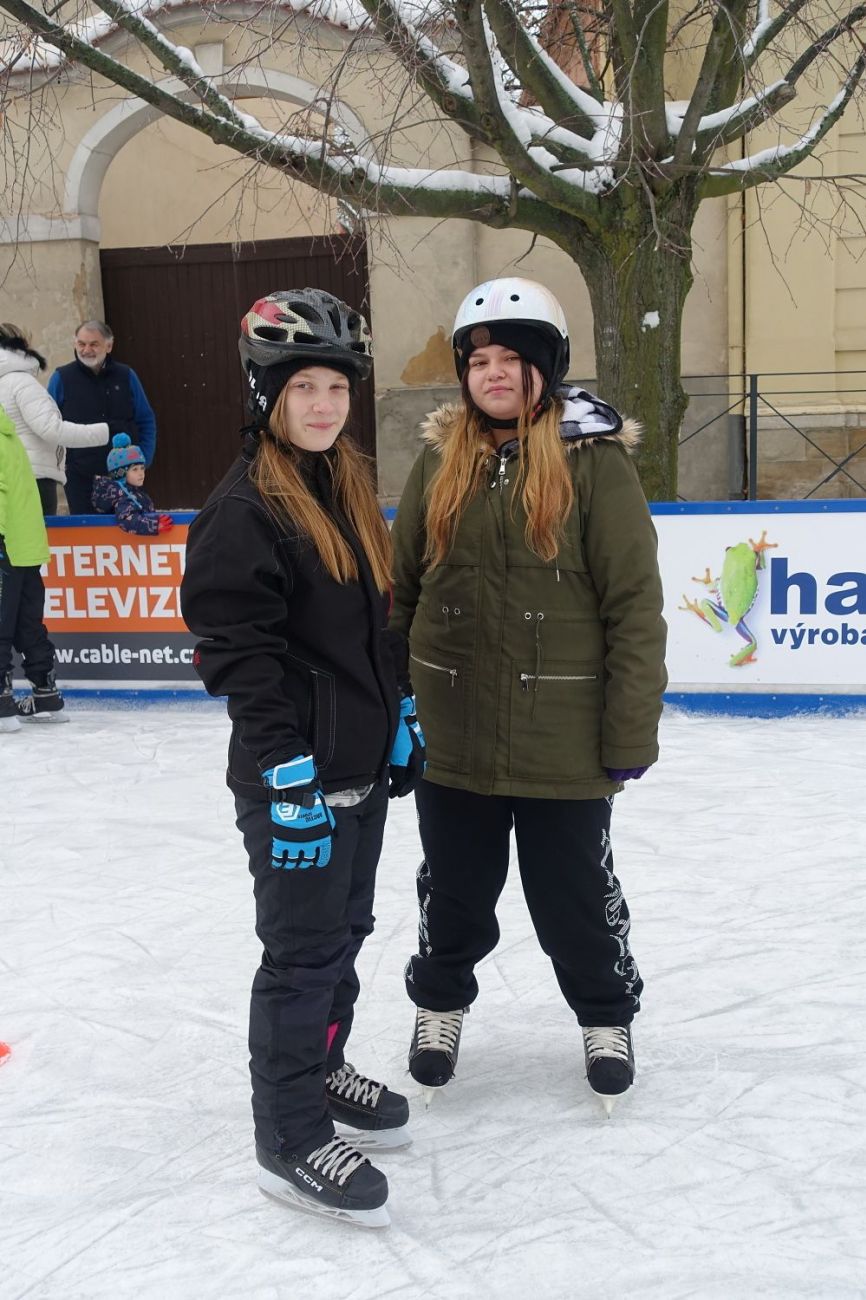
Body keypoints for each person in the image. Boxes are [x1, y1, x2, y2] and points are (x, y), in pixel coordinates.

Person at [389, 277, 668, 1115]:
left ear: (546, 367)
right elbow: (402, 593)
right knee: (453, 891)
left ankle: (606, 1018)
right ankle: (439, 1007)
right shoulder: (440, 461)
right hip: (452, 734)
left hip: (565, 741)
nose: (494, 374)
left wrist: (630, 731)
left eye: (512, 358)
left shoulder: (596, 464)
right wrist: (393, 705)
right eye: (479, 362)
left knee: (573, 897)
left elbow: (634, 607)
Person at [180, 289, 425, 1229]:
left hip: (358, 770)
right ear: (266, 394)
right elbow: (236, 655)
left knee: (346, 935)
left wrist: (400, 707)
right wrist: (286, 775)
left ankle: (322, 1069)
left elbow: (375, 624)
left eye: (336, 387)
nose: (324, 405)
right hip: (295, 783)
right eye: (304, 388)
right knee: (301, 955)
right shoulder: (244, 509)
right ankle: (287, 1135)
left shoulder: (342, 487)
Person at [0, 404, 67, 732]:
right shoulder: (8, 436)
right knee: (28, 625)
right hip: (25, 545)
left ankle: (2, 704)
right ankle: (46, 696)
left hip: (5, 542)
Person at [47, 320, 156, 515]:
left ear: (109, 346)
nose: (86, 350)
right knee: (86, 531)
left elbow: (145, 420)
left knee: (129, 527)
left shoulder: (126, 376)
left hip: (125, 476)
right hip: (79, 478)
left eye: (94, 344)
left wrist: (142, 460)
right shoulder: (61, 378)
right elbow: (49, 425)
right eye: (81, 344)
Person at [0, 324, 109, 516]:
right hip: (32, 478)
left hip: (9, 478)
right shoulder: (22, 383)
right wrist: (105, 432)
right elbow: (51, 429)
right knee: (36, 534)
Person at [91, 434, 174, 535]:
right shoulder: (122, 497)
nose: (141, 473)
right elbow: (127, 519)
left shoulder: (133, 492)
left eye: (142, 468)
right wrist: (154, 525)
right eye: (135, 469)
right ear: (121, 474)